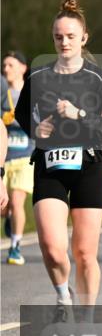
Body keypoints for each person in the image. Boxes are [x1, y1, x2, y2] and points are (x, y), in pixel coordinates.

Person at [15, 0, 102, 323]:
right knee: (51, 246)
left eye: (71, 36)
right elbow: (23, 116)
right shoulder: (38, 77)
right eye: (59, 37)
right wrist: (39, 128)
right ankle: (64, 296)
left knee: (85, 254)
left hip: (89, 166)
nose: (64, 42)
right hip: (50, 166)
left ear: (84, 38)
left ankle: (87, 319)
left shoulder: (98, 78)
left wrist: (80, 114)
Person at [3, 52, 34, 265]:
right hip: (4, 157)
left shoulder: (33, 91)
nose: (6, 69)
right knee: (4, 206)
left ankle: (15, 246)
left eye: (11, 65)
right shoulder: (1, 92)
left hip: (25, 156)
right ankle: (8, 218)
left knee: (16, 201)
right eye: (4, 65)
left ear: (23, 67)